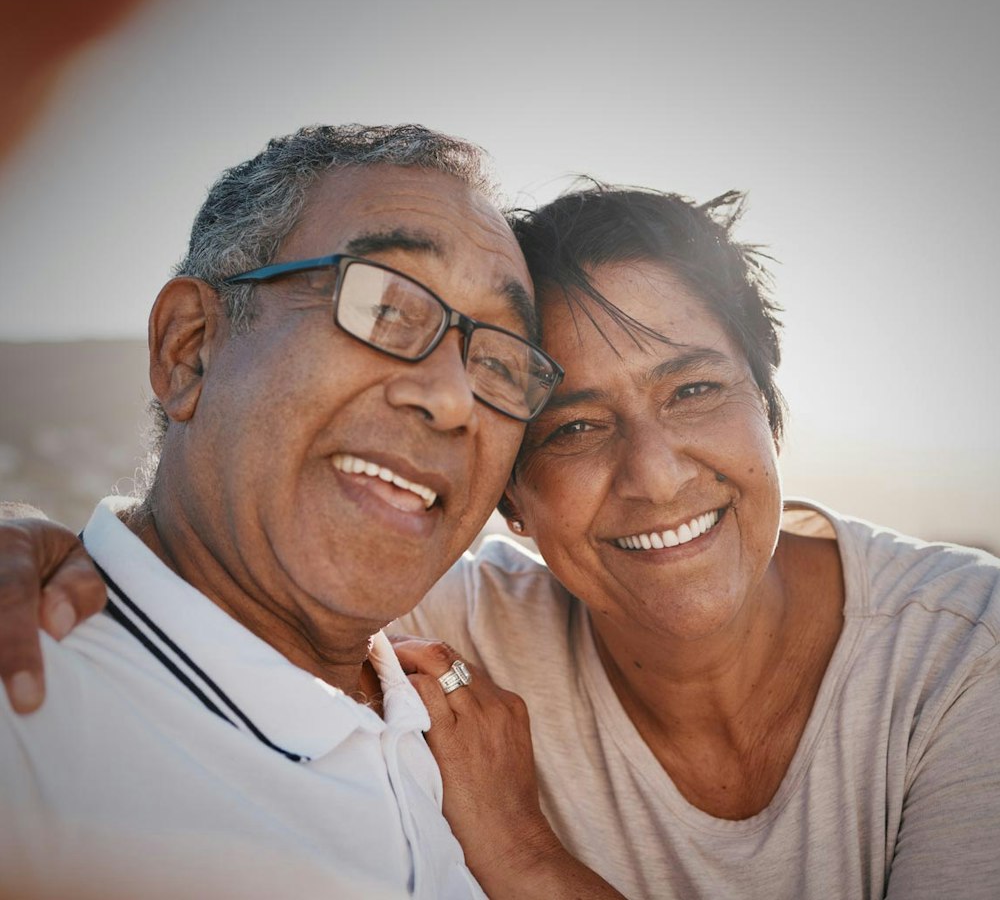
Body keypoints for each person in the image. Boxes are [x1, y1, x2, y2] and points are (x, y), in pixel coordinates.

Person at [4, 182, 1000, 898]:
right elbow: (225, 568)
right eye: (572, 426)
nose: (654, 472)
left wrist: (523, 852)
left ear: (770, 414)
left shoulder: (963, 653)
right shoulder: (449, 627)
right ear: (508, 497)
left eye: (694, 390)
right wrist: (57, 548)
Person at [0, 123, 623, 899]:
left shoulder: (466, 734)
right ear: (189, 348)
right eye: (386, 307)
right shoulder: (31, 717)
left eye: (498, 360)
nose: (454, 397)